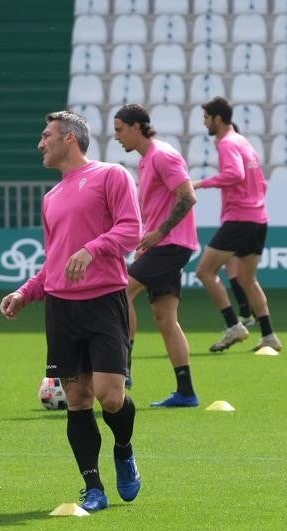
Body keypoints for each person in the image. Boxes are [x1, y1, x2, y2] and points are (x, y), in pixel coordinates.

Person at [0, 111, 142, 512]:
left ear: (71, 139)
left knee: (110, 397)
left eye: (46, 136)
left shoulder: (111, 176)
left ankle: (124, 449)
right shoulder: (51, 197)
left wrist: (92, 248)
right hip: (62, 307)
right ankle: (93, 487)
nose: (40, 143)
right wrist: (26, 292)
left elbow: (131, 230)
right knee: (78, 399)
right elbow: (54, 259)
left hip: (103, 300)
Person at [112, 103, 200, 408]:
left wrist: (159, 233)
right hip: (164, 245)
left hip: (171, 244)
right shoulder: (147, 160)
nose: (117, 137)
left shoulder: (162, 155)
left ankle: (123, 369)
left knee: (121, 292)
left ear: (137, 127)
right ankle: (187, 392)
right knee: (165, 318)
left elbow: (188, 197)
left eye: (120, 130)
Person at [192, 96, 282, 353]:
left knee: (204, 272)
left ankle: (234, 325)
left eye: (206, 118)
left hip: (240, 219)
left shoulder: (226, 143)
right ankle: (269, 335)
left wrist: (200, 183)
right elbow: (261, 182)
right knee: (247, 278)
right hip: (258, 219)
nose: (205, 123)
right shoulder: (244, 142)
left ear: (217, 119)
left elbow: (235, 174)